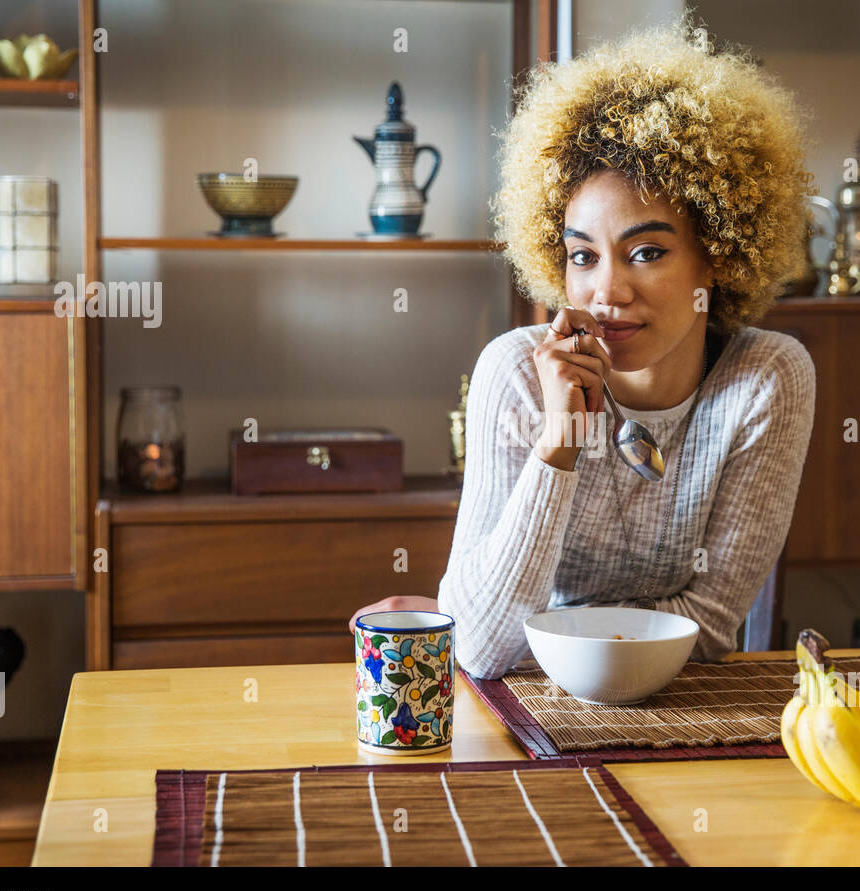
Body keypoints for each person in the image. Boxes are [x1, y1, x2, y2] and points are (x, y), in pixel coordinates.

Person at [350, 17, 816, 680]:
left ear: (718, 256)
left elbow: (708, 629)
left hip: (684, 719)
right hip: (522, 727)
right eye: (582, 256)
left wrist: (539, 628)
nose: (608, 292)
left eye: (647, 253)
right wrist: (559, 442)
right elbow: (482, 650)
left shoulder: (766, 377)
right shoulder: (514, 372)